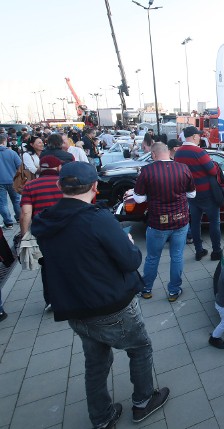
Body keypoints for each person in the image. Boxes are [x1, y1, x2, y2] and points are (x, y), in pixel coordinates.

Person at [31, 161, 170, 429]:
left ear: (60, 186)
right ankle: (143, 402)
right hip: (111, 305)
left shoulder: (46, 220)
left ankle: (102, 418)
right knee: (139, 348)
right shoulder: (97, 218)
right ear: (95, 187)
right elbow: (130, 261)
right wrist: (128, 244)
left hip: (74, 307)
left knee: (95, 362)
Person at [133, 143, 195, 302]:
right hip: (181, 219)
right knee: (177, 256)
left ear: (153, 154)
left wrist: (150, 195)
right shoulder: (183, 168)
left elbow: (138, 199)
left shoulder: (146, 171)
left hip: (158, 222)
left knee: (153, 257)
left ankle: (146, 289)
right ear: (168, 152)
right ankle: (174, 291)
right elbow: (192, 194)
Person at [19, 155, 64, 311]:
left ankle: (51, 300)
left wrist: (24, 236)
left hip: (43, 233)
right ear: (58, 168)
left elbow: (25, 214)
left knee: (47, 266)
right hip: (66, 230)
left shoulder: (30, 186)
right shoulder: (64, 183)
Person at [175, 126, 224, 261]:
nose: (200, 137)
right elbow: (213, 171)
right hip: (207, 194)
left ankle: (199, 250)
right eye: (198, 135)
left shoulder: (178, 153)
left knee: (195, 223)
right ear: (193, 137)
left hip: (191, 194)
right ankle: (216, 251)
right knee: (214, 222)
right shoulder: (199, 152)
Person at [0, 135, 22, 230]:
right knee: (16, 201)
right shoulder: (11, 152)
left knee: (3, 203)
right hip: (13, 180)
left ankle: (8, 223)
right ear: (4, 141)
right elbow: (20, 166)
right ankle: (19, 218)